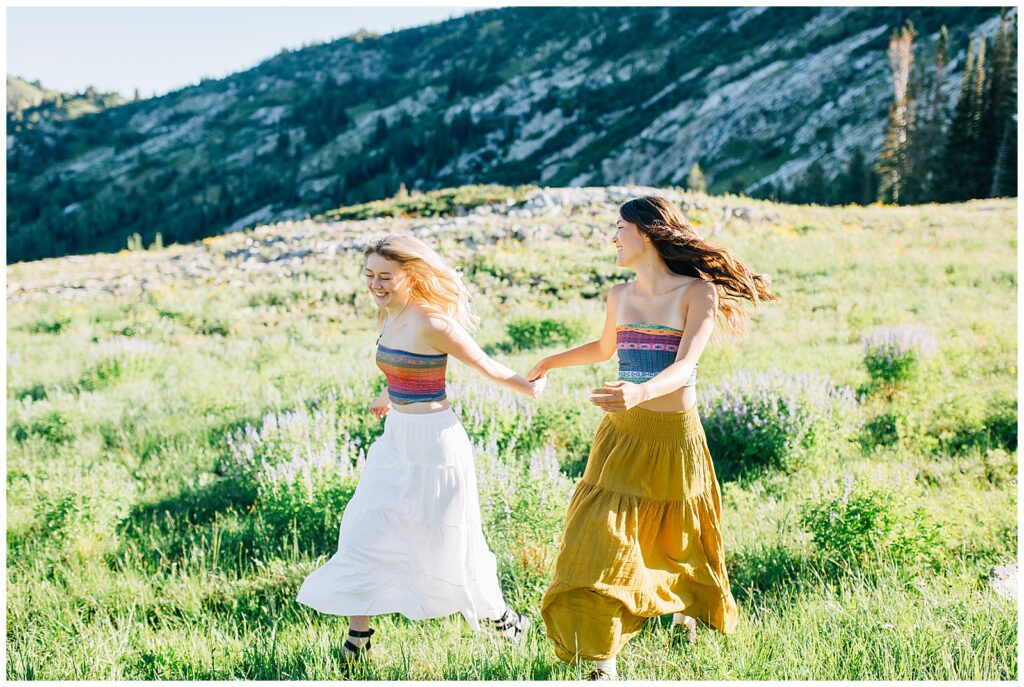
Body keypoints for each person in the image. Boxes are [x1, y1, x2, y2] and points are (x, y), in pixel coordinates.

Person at [528, 196, 778, 680]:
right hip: (621, 436)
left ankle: (686, 611)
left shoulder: (696, 292)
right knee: (598, 542)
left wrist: (640, 391)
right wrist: (548, 362)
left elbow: (685, 367)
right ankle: (602, 662)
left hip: (675, 438)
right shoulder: (619, 296)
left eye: (620, 228)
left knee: (679, 543)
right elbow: (605, 348)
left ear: (646, 232)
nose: (613, 238)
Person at [296, 233, 545, 661]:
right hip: (396, 440)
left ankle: (506, 622)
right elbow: (404, 368)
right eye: (370, 275)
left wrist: (529, 387)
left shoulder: (433, 322)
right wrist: (387, 395)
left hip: (436, 446)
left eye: (386, 276)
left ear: (411, 275)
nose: (376, 284)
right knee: (361, 529)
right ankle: (359, 640)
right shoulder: (389, 315)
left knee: (454, 542)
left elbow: (484, 364)